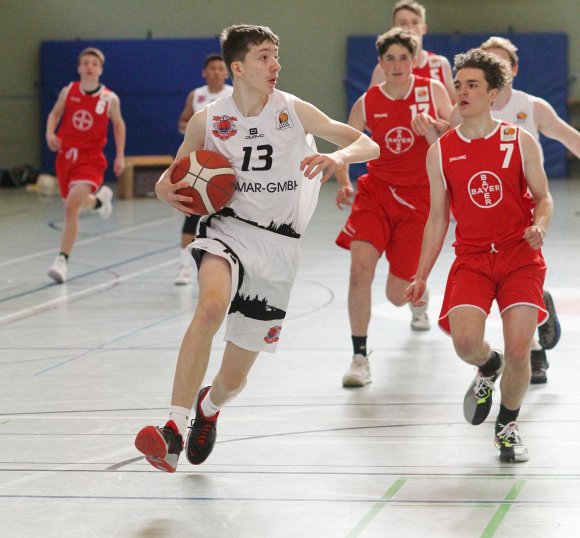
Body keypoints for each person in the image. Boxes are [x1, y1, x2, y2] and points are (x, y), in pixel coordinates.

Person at [134, 24, 379, 473]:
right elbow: (175, 175)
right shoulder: (209, 119)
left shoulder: (293, 110)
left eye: (276, 55)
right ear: (239, 67)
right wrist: (165, 191)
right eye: (265, 56)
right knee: (209, 307)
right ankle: (172, 427)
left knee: (233, 378)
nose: (275, 65)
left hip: (279, 247)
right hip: (227, 231)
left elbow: (368, 143)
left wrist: (337, 158)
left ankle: (209, 408)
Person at [405, 49, 553, 462]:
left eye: (472, 85)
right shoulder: (441, 151)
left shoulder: (518, 141)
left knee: (521, 348)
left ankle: (507, 427)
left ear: (494, 93)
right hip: (471, 257)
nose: (462, 91)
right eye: (459, 84)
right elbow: (437, 219)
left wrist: (539, 226)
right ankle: (488, 367)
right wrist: (420, 275)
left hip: (519, 256)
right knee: (466, 342)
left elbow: (544, 198)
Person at [336, 28, 452, 388]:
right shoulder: (368, 102)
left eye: (404, 57)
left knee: (395, 296)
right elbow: (346, 142)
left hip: (419, 199)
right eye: (390, 58)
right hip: (376, 194)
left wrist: (435, 127)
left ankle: (418, 299)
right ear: (380, 63)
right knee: (359, 271)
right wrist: (343, 180)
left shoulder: (431, 91)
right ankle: (359, 357)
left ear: (415, 61)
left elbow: (454, 132)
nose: (398, 64)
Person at [477, 36, 575, 383]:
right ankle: (539, 315)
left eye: (501, 62)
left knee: (518, 280)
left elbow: (569, 138)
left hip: (525, 209)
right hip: (484, 210)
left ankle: (534, 351)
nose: (495, 67)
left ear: (513, 69)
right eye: (487, 61)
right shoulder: (468, 107)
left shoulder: (531, 107)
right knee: (504, 283)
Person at [45, 47, 126, 283]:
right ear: (79, 68)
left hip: (90, 159)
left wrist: (120, 155)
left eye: (94, 63)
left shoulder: (110, 98)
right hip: (65, 157)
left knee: (70, 208)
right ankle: (100, 201)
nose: (90, 66)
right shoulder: (68, 91)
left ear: (100, 70)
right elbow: (54, 114)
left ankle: (61, 261)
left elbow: (118, 126)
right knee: (75, 204)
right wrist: (50, 132)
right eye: (86, 62)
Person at [174, 54, 233, 285]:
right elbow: (182, 122)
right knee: (192, 214)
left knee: (228, 218)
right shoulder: (196, 95)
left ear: (227, 73)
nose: (217, 72)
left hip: (227, 166)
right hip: (200, 166)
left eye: (221, 68)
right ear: (204, 72)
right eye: (213, 68)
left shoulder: (233, 94)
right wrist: (196, 129)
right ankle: (184, 266)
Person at [369, 0, 455, 103]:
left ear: (424, 28)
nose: (410, 28)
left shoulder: (440, 64)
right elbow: (370, 107)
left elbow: (456, 108)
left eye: (415, 22)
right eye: (403, 23)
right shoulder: (382, 69)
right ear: (393, 29)